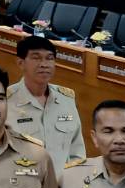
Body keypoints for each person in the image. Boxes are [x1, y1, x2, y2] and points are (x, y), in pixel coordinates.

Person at [6, 36, 85, 172]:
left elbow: (77, 151)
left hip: (62, 181)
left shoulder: (66, 99)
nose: (44, 64)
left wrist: (73, 179)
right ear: (20, 63)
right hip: (22, 180)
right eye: (36, 58)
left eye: (49, 58)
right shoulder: (5, 101)